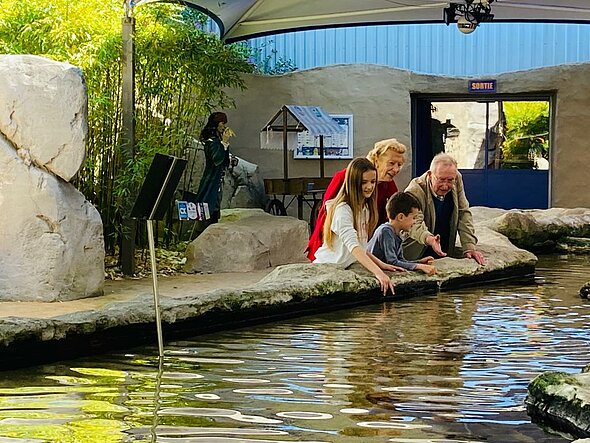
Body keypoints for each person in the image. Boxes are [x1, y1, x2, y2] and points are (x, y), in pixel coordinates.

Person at [307, 138, 407, 261]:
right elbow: (327, 214)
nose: (396, 169)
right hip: (336, 247)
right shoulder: (344, 177)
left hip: (365, 245)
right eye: (391, 163)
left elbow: (397, 213)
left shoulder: (389, 185)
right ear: (377, 160)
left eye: (399, 165)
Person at [313, 158, 401, 295]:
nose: (370, 187)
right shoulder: (342, 210)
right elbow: (353, 246)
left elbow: (361, 245)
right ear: (353, 183)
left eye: (373, 182)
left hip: (345, 267)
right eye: (364, 182)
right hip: (328, 267)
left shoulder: (364, 208)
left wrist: (381, 265)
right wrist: (378, 273)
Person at [402, 153, 486, 265]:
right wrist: (430, 239)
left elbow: (463, 213)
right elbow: (414, 224)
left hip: (445, 248)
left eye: (450, 180)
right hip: (416, 253)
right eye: (441, 180)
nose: (445, 186)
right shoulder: (414, 191)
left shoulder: (457, 178)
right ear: (430, 175)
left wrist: (469, 247)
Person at [367, 192, 437, 275]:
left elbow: (400, 260)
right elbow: (392, 262)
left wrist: (419, 262)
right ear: (401, 217)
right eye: (414, 218)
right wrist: (418, 266)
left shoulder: (396, 233)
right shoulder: (386, 231)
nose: (415, 222)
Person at [194, 112, 234, 225]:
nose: (224, 126)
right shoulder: (211, 141)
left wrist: (225, 145)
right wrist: (224, 142)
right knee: (209, 204)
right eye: (222, 123)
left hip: (217, 178)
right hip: (211, 178)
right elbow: (217, 159)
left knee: (215, 204)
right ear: (216, 124)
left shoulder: (216, 140)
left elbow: (224, 161)